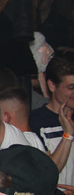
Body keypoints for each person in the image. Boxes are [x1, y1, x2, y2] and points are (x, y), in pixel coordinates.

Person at [30, 53, 74, 184]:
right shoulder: (36, 122)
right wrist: (67, 135)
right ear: (52, 86)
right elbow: (47, 173)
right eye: (71, 87)